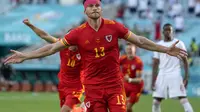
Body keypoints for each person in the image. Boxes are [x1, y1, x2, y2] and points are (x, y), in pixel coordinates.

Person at [4, 0, 187, 112]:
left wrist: (164, 49)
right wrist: (26, 56)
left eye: (98, 5)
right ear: (85, 11)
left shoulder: (114, 26)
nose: (95, 8)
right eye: (90, 6)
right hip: (92, 87)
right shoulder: (76, 34)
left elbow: (139, 40)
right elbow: (51, 48)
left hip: (114, 84)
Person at [23, 19, 84, 112]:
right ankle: (84, 110)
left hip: (77, 87)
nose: (70, 43)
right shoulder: (62, 46)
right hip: (63, 86)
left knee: (64, 110)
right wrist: (30, 25)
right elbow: (45, 36)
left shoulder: (85, 52)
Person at [151, 23, 193, 112]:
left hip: (175, 74)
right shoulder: (158, 45)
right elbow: (155, 63)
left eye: (169, 30)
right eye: (166, 30)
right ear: (162, 32)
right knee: (155, 101)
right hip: (162, 74)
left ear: (173, 31)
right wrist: (153, 80)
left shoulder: (179, 43)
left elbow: (185, 61)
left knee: (183, 99)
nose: (167, 32)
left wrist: (186, 77)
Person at [120, 43, 144, 112]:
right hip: (125, 84)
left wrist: (129, 79)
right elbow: (114, 67)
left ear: (135, 50)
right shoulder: (123, 59)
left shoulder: (138, 62)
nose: (129, 51)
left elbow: (139, 80)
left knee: (127, 107)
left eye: (131, 49)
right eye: (128, 49)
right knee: (123, 106)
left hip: (136, 87)